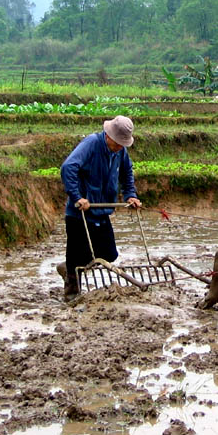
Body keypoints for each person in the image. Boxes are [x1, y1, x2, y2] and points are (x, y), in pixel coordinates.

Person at [57, 115, 142, 299]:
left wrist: (131, 195)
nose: (120, 147)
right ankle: (71, 289)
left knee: (108, 254)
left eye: (123, 144)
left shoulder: (120, 151)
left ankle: (70, 268)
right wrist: (77, 196)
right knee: (76, 254)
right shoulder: (91, 144)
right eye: (118, 143)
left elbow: (127, 172)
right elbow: (68, 167)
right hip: (80, 213)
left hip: (101, 210)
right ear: (109, 135)